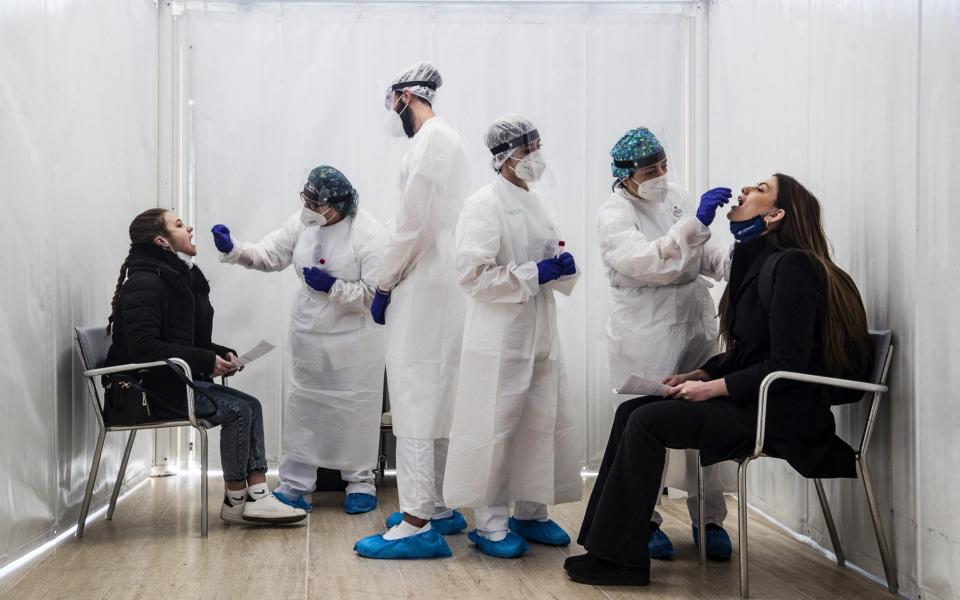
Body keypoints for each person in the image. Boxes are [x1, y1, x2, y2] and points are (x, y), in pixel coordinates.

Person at [565, 174, 873, 586]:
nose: (744, 191)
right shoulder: (757, 260)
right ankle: (606, 547)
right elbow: (753, 352)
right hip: (758, 400)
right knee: (631, 412)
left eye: (760, 190)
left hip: (780, 413)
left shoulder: (794, 267)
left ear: (776, 215)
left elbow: (785, 363)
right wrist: (705, 371)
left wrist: (712, 388)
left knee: (646, 422)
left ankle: (622, 562)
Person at [105, 208, 306, 526]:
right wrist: (204, 360)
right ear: (162, 241)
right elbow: (145, 348)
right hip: (148, 393)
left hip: (171, 382)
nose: (189, 228)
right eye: (179, 225)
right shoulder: (144, 283)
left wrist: (220, 355)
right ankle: (239, 499)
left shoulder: (175, 281)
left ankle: (254, 497)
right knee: (239, 411)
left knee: (250, 405)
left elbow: (186, 341)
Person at [211, 166, 387, 515]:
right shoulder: (305, 222)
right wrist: (235, 250)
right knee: (304, 408)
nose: (306, 206)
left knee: (354, 410)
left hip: (355, 340)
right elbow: (270, 254)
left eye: (314, 202)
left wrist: (333, 287)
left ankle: (360, 481)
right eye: (304, 198)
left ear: (336, 206)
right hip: (309, 332)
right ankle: (295, 485)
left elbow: (376, 294)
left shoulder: (368, 234)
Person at [442, 115, 580, 559]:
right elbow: (471, 274)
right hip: (499, 335)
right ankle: (491, 524)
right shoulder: (484, 203)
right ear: (505, 156)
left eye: (539, 146)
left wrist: (560, 268)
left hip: (540, 332)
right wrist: (532, 273)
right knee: (495, 427)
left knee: (541, 421)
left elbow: (553, 252)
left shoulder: (539, 202)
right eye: (529, 148)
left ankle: (532, 512)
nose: (537, 156)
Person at [597, 127, 734, 559]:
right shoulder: (614, 214)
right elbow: (648, 261)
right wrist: (695, 225)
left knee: (708, 421)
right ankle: (645, 520)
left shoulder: (676, 196)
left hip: (694, 322)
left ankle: (709, 519)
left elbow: (700, 252)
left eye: (663, 165)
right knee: (648, 425)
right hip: (648, 329)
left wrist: (739, 260)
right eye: (649, 169)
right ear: (625, 175)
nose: (659, 174)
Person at [353, 61, 472, 559]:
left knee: (416, 399)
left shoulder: (430, 141)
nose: (392, 113)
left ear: (405, 96)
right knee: (437, 395)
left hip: (423, 284)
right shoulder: (446, 140)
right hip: (440, 284)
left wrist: (382, 282)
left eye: (391, 103)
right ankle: (439, 506)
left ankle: (417, 521)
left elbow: (412, 224)